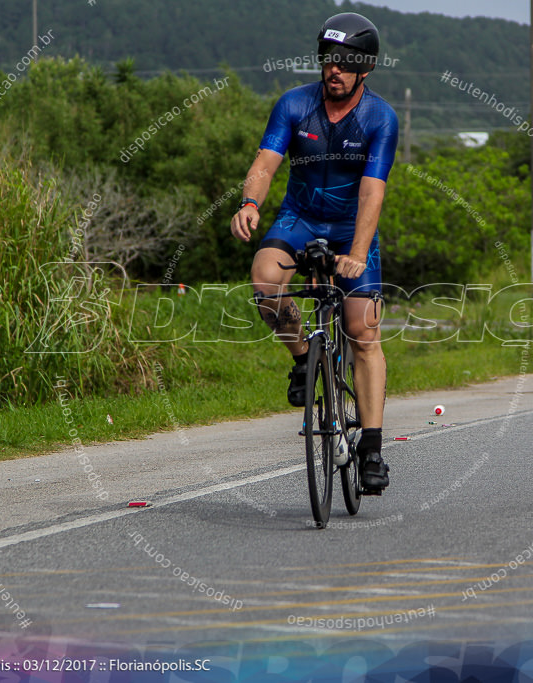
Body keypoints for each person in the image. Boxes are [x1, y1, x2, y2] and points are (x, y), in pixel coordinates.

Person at [230, 12, 398, 494]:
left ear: (365, 69)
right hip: (298, 219)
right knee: (265, 282)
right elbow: (265, 162)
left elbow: (373, 192)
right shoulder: (294, 104)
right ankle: (304, 356)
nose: (334, 70)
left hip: (351, 228)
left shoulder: (380, 117)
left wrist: (359, 253)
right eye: (328, 60)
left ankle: (372, 447)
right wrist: (249, 203)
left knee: (363, 328)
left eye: (345, 63)